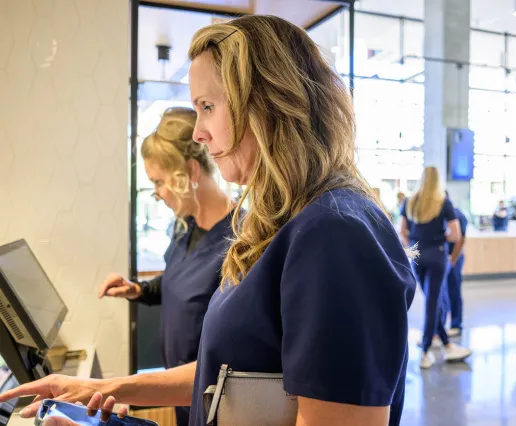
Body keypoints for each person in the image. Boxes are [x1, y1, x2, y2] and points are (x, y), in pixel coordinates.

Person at [0, 15, 415, 426]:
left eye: (208, 107)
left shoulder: (334, 234)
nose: (199, 132)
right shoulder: (284, 224)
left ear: (268, 103)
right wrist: (106, 391)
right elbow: (224, 378)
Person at [98, 107, 235, 426]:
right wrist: (139, 290)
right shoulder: (185, 226)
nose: (157, 194)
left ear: (190, 171)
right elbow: (179, 281)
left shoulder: (238, 243)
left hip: (213, 402)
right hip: (179, 395)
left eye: (159, 182)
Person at [400, 167, 472, 369]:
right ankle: (425, 351)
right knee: (433, 302)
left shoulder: (410, 202)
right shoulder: (443, 203)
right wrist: (438, 237)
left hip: (417, 256)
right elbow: (455, 235)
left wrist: (413, 245)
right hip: (437, 255)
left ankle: (448, 345)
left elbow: (402, 231)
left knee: (432, 301)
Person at [444, 191, 468, 337]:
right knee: (442, 293)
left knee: (454, 291)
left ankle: (456, 324)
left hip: (454, 258)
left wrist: (452, 260)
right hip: (443, 258)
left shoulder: (457, 214)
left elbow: (460, 239)